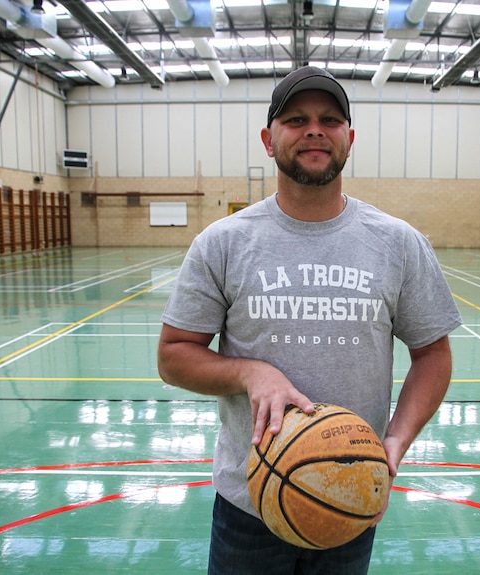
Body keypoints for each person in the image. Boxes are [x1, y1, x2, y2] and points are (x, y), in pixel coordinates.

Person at [157, 66, 463, 575]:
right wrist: (250, 372)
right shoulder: (224, 242)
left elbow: (433, 354)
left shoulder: (398, 243)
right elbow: (173, 357)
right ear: (268, 139)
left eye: (330, 119)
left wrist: (393, 444)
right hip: (248, 503)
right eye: (296, 119)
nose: (314, 130)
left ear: (350, 137)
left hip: (349, 496)